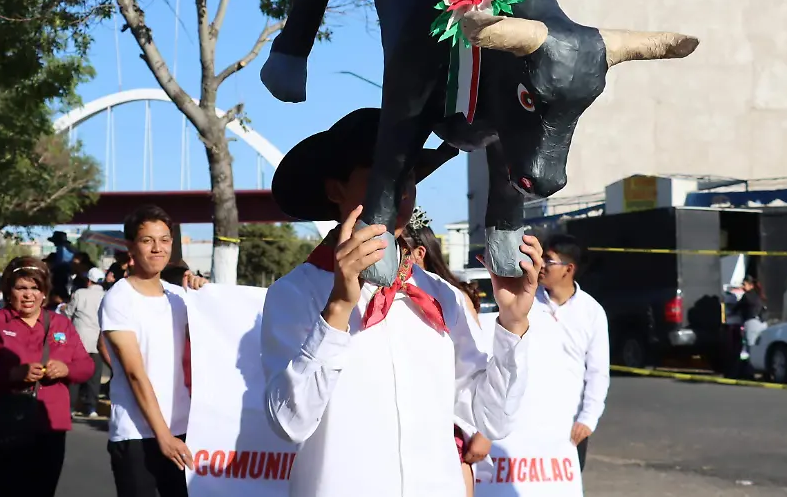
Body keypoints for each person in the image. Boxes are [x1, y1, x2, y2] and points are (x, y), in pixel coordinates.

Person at [261, 108, 539, 497]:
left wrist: (512, 322)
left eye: (408, 176)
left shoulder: (442, 294)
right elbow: (290, 423)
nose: (401, 190)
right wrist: (338, 309)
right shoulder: (295, 293)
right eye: (380, 175)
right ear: (335, 190)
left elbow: (493, 420)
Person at [0, 257, 94, 497]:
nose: (28, 295)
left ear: (44, 292)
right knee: (8, 490)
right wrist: (12, 374)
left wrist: (66, 370)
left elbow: (86, 365)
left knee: (43, 491)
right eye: (21, 288)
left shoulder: (61, 324)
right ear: (9, 290)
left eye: (35, 288)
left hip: (50, 423)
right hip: (4, 421)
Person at [100, 205, 194, 497]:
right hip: (137, 434)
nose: (158, 248)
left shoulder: (180, 297)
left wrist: (205, 294)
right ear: (131, 246)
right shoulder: (119, 299)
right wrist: (163, 436)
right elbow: (134, 373)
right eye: (147, 240)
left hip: (183, 429)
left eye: (165, 240)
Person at [399, 207, 491, 497]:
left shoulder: (451, 296)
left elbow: (476, 366)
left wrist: (481, 431)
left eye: (401, 248)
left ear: (419, 253)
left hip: (446, 428)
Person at [534, 234, 610, 473]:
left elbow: (598, 372)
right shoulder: (525, 303)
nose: (541, 266)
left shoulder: (592, 312)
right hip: (527, 419)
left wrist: (588, 419)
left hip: (569, 424)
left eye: (549, 260)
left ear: (569, 269)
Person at [66, 266, 108, 417]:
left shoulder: (79, 293)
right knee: (94, 377)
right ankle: (91, 408)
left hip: (79, 340)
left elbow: (69, 312)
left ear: (89, 281)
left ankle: (70, 407)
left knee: (75, 376)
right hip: (98, 341)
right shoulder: (107, 295)